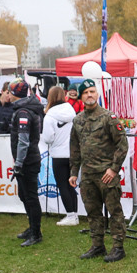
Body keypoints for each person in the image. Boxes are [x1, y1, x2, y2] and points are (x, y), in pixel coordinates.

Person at [68, 79, 129, 262]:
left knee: (114, 211)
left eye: (92, 91)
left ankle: (118, 247)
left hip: (106, 174)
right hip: (87, 175)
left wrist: (113, 169)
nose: (89, 95)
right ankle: (97, 245)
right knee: (92, 211)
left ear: (97, 94)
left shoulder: (108, 118)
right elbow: (75, 148)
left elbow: (122, 144)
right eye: (86, 92)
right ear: (81, 96)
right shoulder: (77, 120)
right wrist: (73, 171)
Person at [8, 79, 45, 247]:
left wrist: (18, 164)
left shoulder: (23, 112)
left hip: (28, 162)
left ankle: (36, 233)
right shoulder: (25, 109)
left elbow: (24, 141)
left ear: (14, 94)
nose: (6, 94)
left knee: (30, 197)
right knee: (24, 195)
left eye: (8, 91)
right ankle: (32, 228)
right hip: (26, 160)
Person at [41, 85, 79, 226]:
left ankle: (70, 215)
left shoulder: (49, 115)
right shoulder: (71, 111)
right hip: (72, 153)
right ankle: (74, 214)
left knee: (63, 185)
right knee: (71, 185)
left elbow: (48, 138)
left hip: (58, 155)